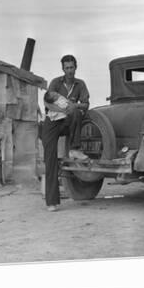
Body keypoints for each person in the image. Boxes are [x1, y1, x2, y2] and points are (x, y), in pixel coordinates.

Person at [42, 55, 90, 212]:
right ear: (63, 69)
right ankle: (52, 202)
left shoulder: (80, 84)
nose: (69, 70)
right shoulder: (55, 83)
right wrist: (63, 109)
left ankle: (75, 148)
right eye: (67, 67)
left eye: (72, 67)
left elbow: (85, 104)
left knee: (76, 111)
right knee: (50, 160)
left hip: (68, 123)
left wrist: (72, 106)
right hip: (52, 123)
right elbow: (48, 103)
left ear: (76, 67)